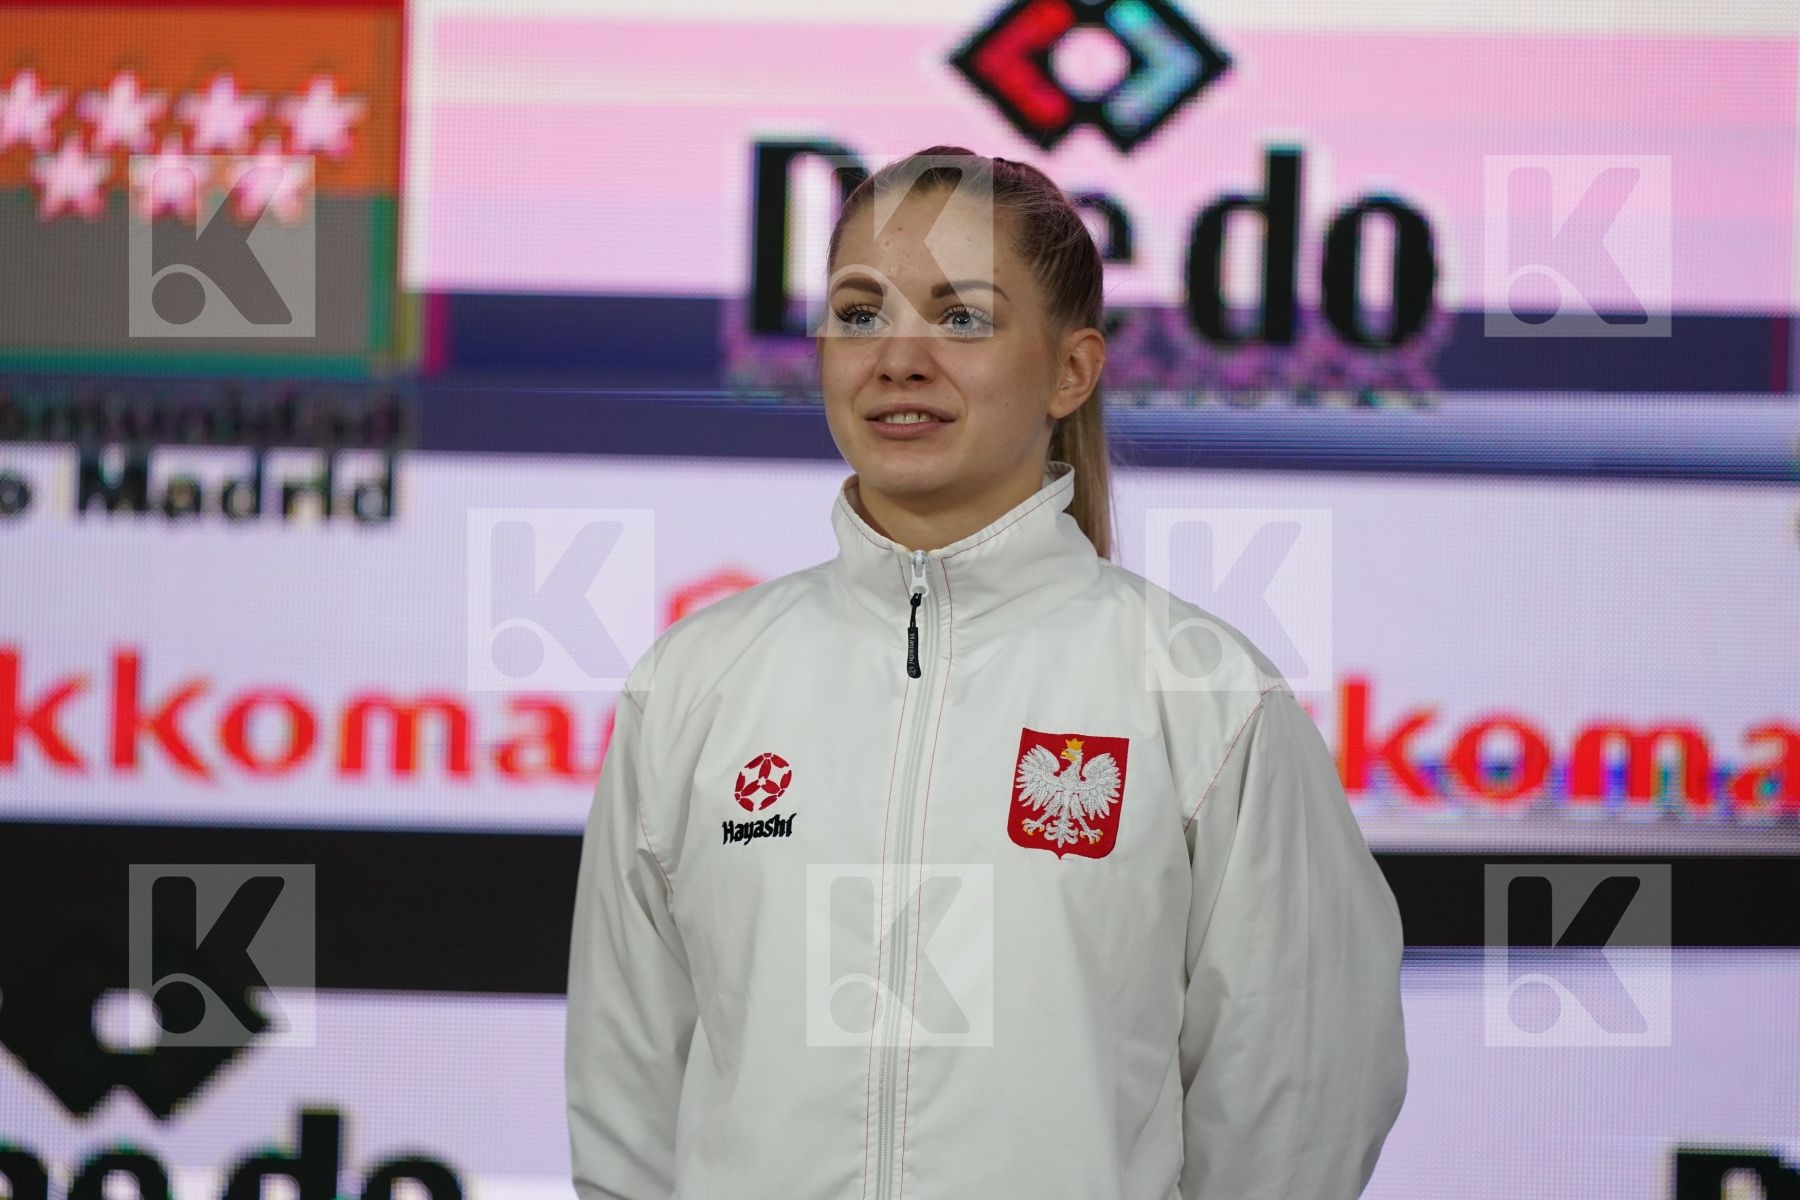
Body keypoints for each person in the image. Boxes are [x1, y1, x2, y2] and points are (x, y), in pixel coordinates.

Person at [566, 146, 1408, 1200]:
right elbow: (627, 1097)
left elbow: (1300, 1094)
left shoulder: (1204, 699)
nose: (898, 359)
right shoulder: (694, 685)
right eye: (860, 313)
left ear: (1071, 372)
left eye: (962, 317)